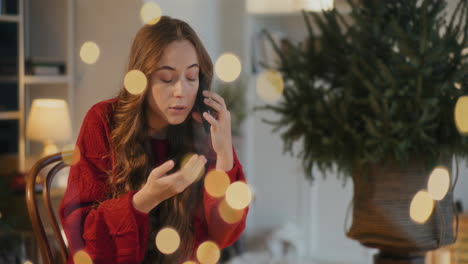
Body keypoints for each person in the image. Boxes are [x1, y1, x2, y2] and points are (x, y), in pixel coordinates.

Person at [59, 16, 249, 264]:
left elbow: (222, 236)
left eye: (191, 77)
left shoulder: (202, 129)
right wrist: (144, 200)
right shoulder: (104, 121)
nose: (181, 91)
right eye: (167, 79)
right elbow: (80, 237)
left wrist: (224, 157)